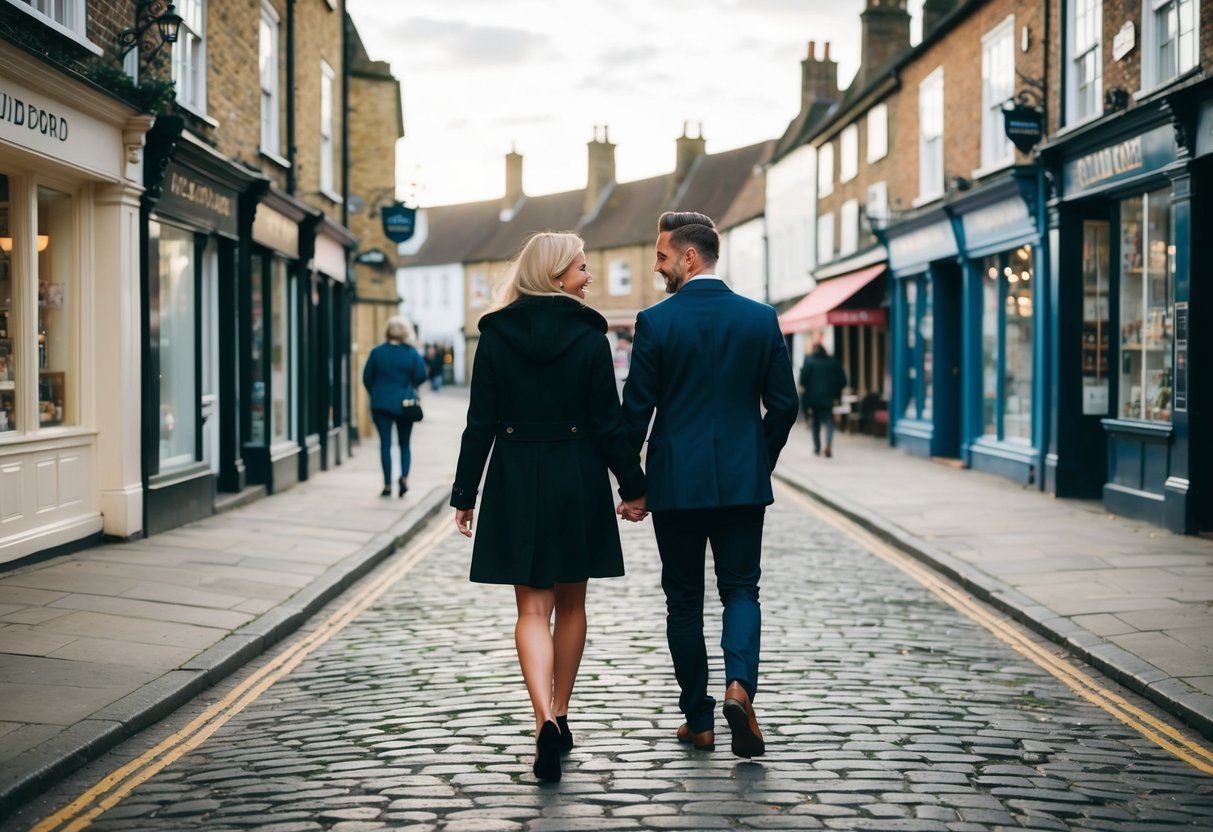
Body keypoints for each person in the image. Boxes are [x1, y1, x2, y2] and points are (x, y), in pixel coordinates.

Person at [451, 231, 646, 783]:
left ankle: (540, 719)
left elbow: (479, 424)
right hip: (576, 476)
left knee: (530, 611)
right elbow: (608, 423)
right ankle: (560, 714)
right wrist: (634, 486)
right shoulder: (590, 337)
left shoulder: (494, 335)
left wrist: (466, 495)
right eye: (583, 268)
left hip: (515, 475)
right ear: (557, 274)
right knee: (571, 605)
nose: (589, 278)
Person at [620, 211, 798, 759]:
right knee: (742, 590)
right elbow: (785, 407)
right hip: (742, 485)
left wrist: (634, 484)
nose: (657, 267)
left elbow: (635, 415)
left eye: (662, 256)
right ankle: (740, 687)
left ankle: (699, 721)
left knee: (683, 601)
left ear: (689, 257)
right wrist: (755, 461)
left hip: (676, 486)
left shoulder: (655, 322)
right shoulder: (761, 318)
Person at [362, 317, 428, 498]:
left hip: (381, 404)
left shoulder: (376, 352)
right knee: (404, 444)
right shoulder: (411, 353)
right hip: (405, 405)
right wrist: (409, 384)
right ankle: (404, 478)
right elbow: (422, 375)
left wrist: (376, 392)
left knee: (385, 444)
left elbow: (367, 377)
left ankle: (387, 485)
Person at [799, 343, 848, 457]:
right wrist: (836, 394)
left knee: (815, 423)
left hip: (813, 399)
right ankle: (829, 444)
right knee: (829, 421)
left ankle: (817, 447)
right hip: (829, 398)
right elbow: (843, 381)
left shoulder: (809, 362)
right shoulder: (833, 362)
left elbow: (802, 381)